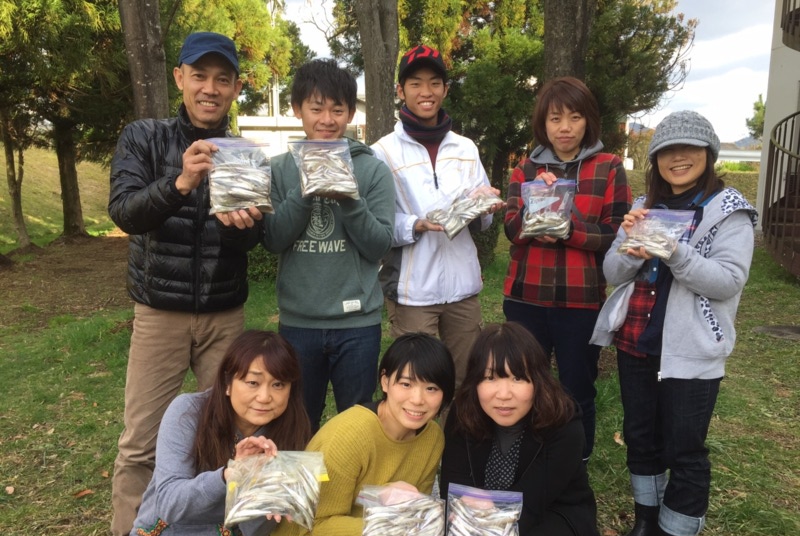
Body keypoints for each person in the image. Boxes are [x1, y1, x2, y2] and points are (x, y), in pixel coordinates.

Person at [102, 32, 261, 536]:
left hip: (225, 312)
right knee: (141, 439)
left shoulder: (245, 152)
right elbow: (125, 211)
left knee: (230, 431)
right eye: (200, 76)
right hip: (160, 312)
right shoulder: (145, 137)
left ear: (236, 87)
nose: (210, 89)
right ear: (180, 79)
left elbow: (252, 241)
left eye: (223, 79)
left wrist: (240, 224)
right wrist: (181, 182)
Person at [592, 110, 757, 536]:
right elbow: (612, 272)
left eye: (690, 148)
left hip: (691, 349)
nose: (678, 157)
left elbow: (727, 281)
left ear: (709, 154)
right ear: (656, 159)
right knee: (641, 438)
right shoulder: (646, 205)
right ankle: (648, 523)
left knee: (684, 449)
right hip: (637, 341)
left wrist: (673, 249)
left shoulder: (729, 211)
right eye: (667, 150)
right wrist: (630, 242)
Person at [219, 59, 394, 431]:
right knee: (297, 422)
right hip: (299, 322)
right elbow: (273, 239)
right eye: (316, 108)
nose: (327, 120)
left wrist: (350, 199)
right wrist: (304, 188)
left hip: (358, 323)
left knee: (357, 424)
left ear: (350, 113)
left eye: (337, 110)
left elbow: (379, 246)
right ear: (297, 109)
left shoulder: (372, 170)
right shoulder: (279, 169)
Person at [263, 332, 456, 536]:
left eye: (431, 388)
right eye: (406, 384)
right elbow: (314, 531)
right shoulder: (350, 435)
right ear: (385, 381)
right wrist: (385, 532)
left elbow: (408, 518)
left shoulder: (432, 438)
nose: (417, 399)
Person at [126, 330, 312, 536]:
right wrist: (229, 475)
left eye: (278, 385)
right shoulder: (188, 412)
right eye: (252, 382)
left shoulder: (289, 434)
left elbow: (253, 532)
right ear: (227, 383)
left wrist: (268, 501)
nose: (264, 397)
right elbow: (170, 504)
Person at [503, 76, 631, 460]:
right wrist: (536, 206)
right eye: (555, 118)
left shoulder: (608, 167)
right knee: (524, 384)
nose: (565, 128)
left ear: (588, 121)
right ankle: (527, 457)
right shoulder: (525, 169)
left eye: (575, 117)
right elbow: (511, 230)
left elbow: (614, 233)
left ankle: (576, 462)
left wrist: (569, 230)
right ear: (543, 122)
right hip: (526, 298)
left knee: (578, 388)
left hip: (581, 302)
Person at [434, 322, 599, 536]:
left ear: (537, 380)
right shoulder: (463, 413)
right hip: (479, 513)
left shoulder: (563, 420)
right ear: (475, 381)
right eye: (490, 378)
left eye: (517, 378)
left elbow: (533, 502)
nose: (503, 394)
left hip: (552, 511)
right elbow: (455, 487)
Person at [371, 45, 504, 390]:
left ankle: (457, 429)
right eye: (415, 83)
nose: (425, 92)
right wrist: (415, 224)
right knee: (418, 382)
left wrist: (484, 206)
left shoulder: (465, 148)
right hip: (413, 291)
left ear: (445, 89)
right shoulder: (382, 152)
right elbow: (375, 224)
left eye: (434, 83)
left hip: (463, 289)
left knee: (466, 381)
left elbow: (483, 220)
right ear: (401, 91)